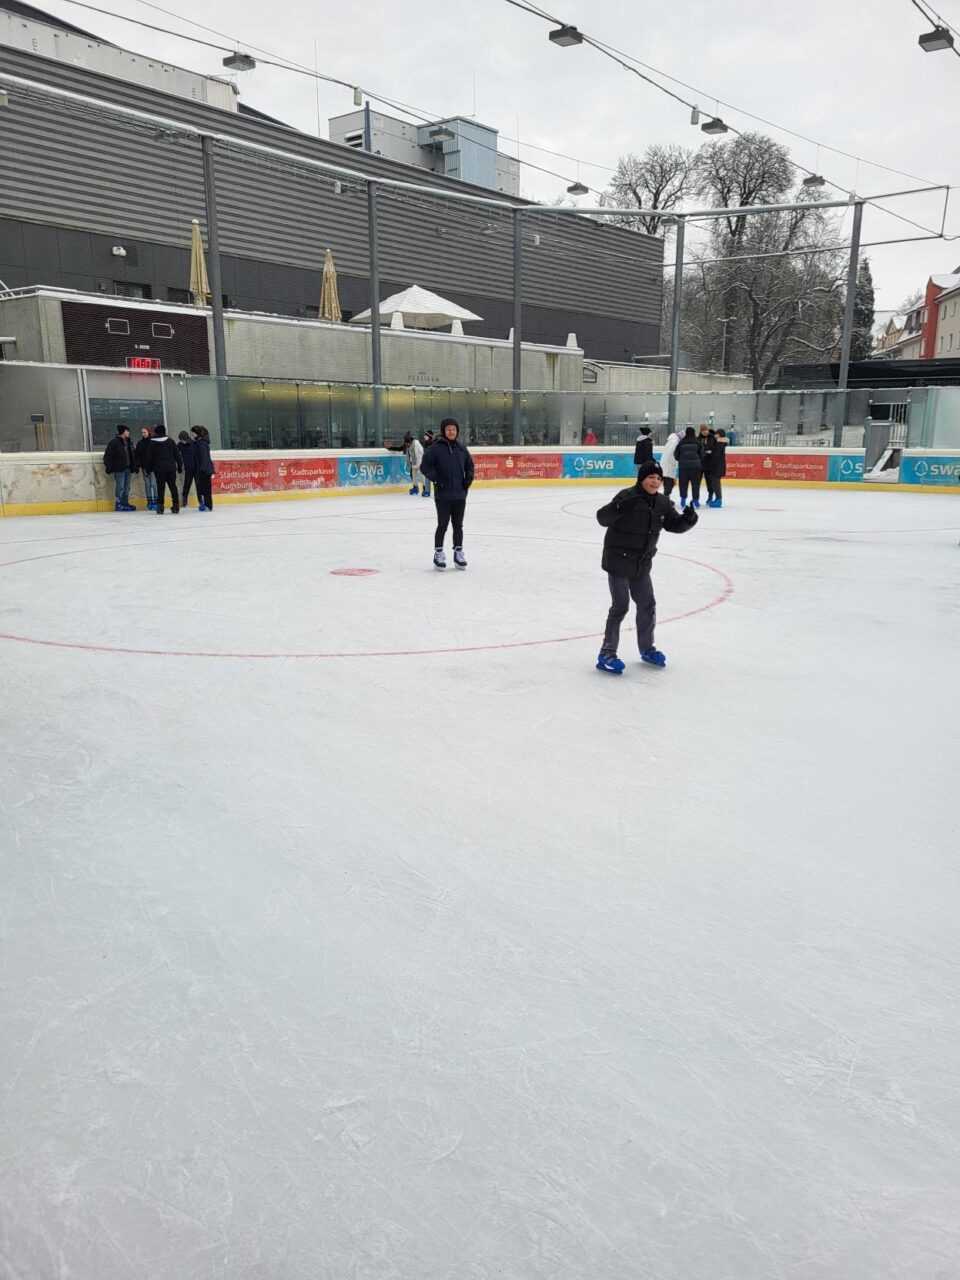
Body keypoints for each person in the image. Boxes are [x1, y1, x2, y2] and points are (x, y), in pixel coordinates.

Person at [595, 460, 698, 674]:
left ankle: (647, 648)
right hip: (618, 561)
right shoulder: (627, 496)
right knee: (620, 606)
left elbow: (674, 525)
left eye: (658, 478)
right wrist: (617, 507)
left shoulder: (662, 503)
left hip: (641, 564)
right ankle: (607, 653)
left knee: (647, 605)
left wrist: (688, 520)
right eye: (651, 477)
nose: (655, 481)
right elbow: (602, 518)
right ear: (642, 479)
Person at [420, 417, 475, 570]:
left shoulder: (462, 448)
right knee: (442, 525)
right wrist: (437, 480)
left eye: (454, 429)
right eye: (448, 429)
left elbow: (470, 466)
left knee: (458, 526)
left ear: (457, 431)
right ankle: (438, 553)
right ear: (444, 431)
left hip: (459, 495)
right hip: (443, 496)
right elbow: (424, 466)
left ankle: (458, 553)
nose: (451, 431)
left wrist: (467, 482)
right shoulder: (436, 449)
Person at [147, 424, 183, 514]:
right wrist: (179, 466)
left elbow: (149, 457)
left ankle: (160, 507)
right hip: (170, 467)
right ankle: (176, 505)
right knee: (172, 486)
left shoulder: (152, 443)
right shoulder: (170, 441)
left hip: (159, 468)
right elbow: (177, 455)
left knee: (160, 487)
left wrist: (148, 468)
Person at [103, 424, 137, 511]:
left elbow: (132, 454)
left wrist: (135, 466)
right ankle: (119, 504)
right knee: (120, 486)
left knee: (127, 487)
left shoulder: (129, 442)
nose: (129, 433)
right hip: (119, 469)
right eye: (127, 431)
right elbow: (108, 456)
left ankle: (125, 503)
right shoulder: (114, 442)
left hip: (128, 468)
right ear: (123, 432)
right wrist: (109, 466)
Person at [675, 426, 704, 509]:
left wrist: (681, 459)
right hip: (696, 467)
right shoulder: (698, 442)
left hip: (683, 467)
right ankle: (696, 500)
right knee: (696, 484)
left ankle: (683, 500)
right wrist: (697, 460)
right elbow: (702, 455)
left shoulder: (681, 443)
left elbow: (676, 455)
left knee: (683, 484)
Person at [192, 425, 216, 512]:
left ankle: (207, 505)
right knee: (203, 488)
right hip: (203, 469)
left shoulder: (201, 443)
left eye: (193, 433)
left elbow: (204, 457)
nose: (192, 434)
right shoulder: (198, 442)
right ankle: (206, 504)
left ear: (197, 433)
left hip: (204, 470)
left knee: (205, 488)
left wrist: (201, 469)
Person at [135, 426, 157, 511]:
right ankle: (149, 501)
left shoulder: (153, 442)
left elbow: (155, 455)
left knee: (154, 484)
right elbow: (137, 455)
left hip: (153, 467)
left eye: (145, 432)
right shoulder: (140, 443)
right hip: (144, 468)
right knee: (147, 484)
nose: (143, 434)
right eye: (142, 432)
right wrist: (139, 465)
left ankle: (156, 501)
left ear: (148, 432)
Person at [706, 428, 728, 508]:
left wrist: (710, 454)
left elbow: (716, 456)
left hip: (717, 467)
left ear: (719, 435)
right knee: (715, 483)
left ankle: (719, 500)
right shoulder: (720, 443)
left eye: (716, 434)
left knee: (716, 484)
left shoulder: (719, 444)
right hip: (718, 466)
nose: (715, 435)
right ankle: (717, 498)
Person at [178, 430, 198, 507]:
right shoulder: (179, 445)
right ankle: (185, 498)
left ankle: (200, 499)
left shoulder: (193, 444)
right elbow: (175, 453)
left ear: (186, 438)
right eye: (180, 439)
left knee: (198, 484)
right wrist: (179, 466)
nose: (181, 441)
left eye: (182, 439)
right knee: (187, 484)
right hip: (188, 468)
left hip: (196, 468)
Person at [659, 430, 680, 498]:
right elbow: (671, 454)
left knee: (668, 483)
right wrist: (674, 464)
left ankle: (666, 498)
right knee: (669, 483)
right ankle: (666, 499)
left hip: (666, 465)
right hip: (669, 466)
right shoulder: (674, 442)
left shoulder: (672, 441)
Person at [421, 430, 435, 497]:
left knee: (436, 478)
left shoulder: (434, 444)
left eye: (425, 435)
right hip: (427, 463)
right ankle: (427, 491)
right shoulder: (425, 444)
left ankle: (438, 491)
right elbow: (425, 454)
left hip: (434, 464)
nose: (424, 436)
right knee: (427, 477)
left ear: (429, 436)